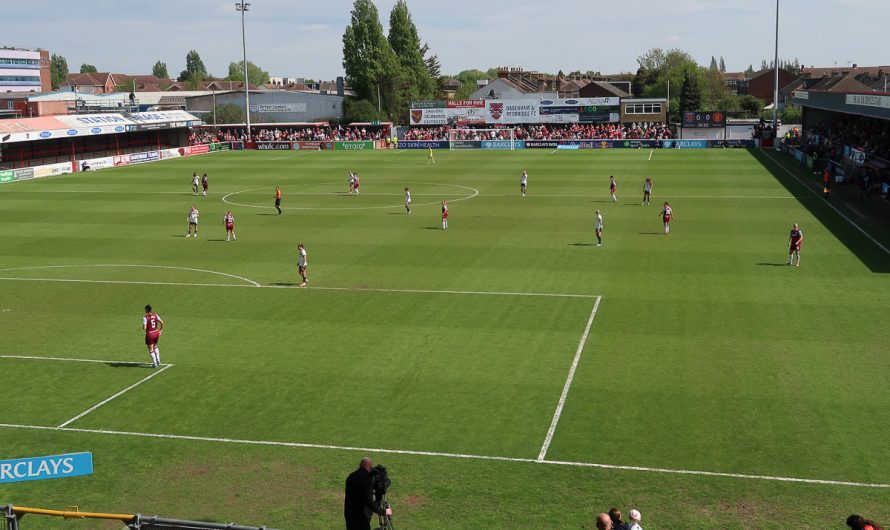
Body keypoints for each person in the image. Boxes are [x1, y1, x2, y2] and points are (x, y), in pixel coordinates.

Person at [344, 457, 390, 530]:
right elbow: (368, 501)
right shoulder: (367, 480)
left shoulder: (351, 476)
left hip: (349, 514)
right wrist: (383, 511)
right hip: (361, 517)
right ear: (369, 467)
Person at [143, 304, 164, 368]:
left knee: (151, 349)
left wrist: (147, 328)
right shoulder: (155, 315)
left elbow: (144, 328)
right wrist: (161, 330)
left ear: (146, 310)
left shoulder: (145, 317)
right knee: (155, 346)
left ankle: (155, 364)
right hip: (156, 333)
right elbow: (162, 322)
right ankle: (158, 360)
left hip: (150, 334)